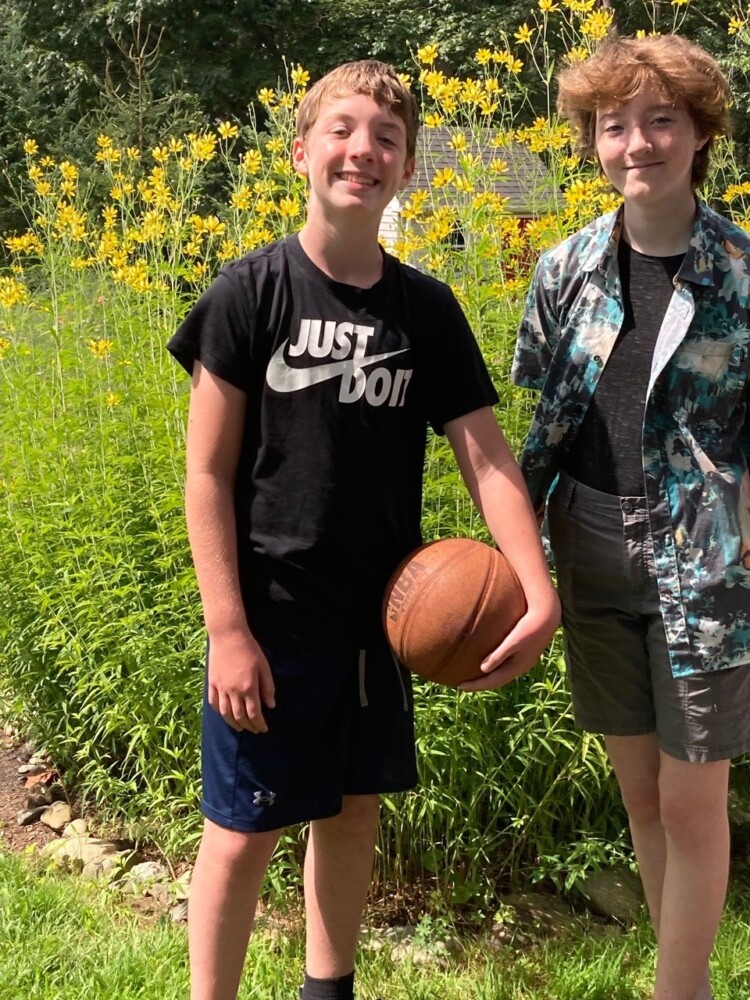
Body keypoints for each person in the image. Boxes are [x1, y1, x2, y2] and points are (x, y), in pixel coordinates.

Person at [168, 59, 560, 1000]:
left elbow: (486, 457)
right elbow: (206, 473)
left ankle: (327, 989)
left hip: (385, 624)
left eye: (387, 138)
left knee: (351, 811)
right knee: (243, 832)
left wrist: (536, 587)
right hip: (271, 625)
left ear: (409, 169)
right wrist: (228, 630)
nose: (364, 150)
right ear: (302, 150)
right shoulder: (248, 294)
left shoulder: (424, 308)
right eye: (342, 130)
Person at [513, 33, 750, 1000]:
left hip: (708, 564)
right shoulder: (563, 268)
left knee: (696, 805)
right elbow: (544, 416)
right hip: (591, 548)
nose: (638, 143)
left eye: (661, 121)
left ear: (700, 135)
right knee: (643, 795)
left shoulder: (739, 271)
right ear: (593, 142)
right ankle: (678, 977)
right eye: (616, 126)